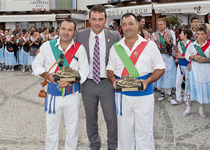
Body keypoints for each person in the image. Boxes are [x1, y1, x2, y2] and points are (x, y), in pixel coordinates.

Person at [107, 13, 165, 150]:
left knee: (144, 132)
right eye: (125, 24)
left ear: (137, 24)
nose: (128, 27)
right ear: (121, 27)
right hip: (123, 97)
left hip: (144, 96)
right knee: (124, 133)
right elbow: (110, 70)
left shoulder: (149, 46)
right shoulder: (116, 47)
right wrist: (113, 80)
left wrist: (148, 81)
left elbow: (160, 68)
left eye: (131, 23)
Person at [32, 19, 89, 150]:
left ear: (75, 32)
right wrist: (47, 75)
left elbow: (85, 71)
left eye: (70, 30)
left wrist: (71, 80)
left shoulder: (80, 49)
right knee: (51, 130)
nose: (66, 32)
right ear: (58, 30)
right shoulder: (47, 46)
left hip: (72, 94)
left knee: (72, 129)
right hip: (53, 95)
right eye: (63, 29)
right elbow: (36, 64)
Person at [74, 4, 121, 150]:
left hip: (107, 83)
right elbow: (70, 53)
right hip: (87, 84)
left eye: (100, 19)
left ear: (106, 20)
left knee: (111, 118)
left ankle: (113, 146)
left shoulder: (114, 36)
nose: (97, 23)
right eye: (94, 19)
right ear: (89, 20)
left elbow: (122, 58)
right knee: (90, 118)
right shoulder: (80, 35)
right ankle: (94, 145)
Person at [184, 27, 210, 118]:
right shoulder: (192, 45)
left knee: (202, 89)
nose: (200, 36)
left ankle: (201, 109)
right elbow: (187, 55)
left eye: (202, 34)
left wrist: (206, 59)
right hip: (194, 70)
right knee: (191, 88)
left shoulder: (209, 45)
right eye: (198, 34)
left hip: (205, 70)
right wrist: (194, 57)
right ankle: (188, 108)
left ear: (206, 35)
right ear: (196, 35)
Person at [152, 18, 177, 102]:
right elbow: (152, 48)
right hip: (159, 56)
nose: (159, 26)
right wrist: (155, 41)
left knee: (169, 75)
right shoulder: (154, 34)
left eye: (161, 24)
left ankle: (169, 95)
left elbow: (174, 45)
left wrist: (167, 40)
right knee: (161, 75)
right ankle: (162, 93)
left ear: (165, 25)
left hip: (168, 56)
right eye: (158, 25)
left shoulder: (171, 33)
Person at [172, 29, 192, 105]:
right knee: (178, 82)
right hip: (180, 64)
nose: (180, 34)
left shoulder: (191, 44)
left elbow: (190, 55)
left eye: (182, 33)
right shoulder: (179, 43)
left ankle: (186, 98)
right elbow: (179, 53)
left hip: (187, 65)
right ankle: (178, 98)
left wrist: (181, 56)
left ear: (186, 35)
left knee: (187, 83)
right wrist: (177, 55)